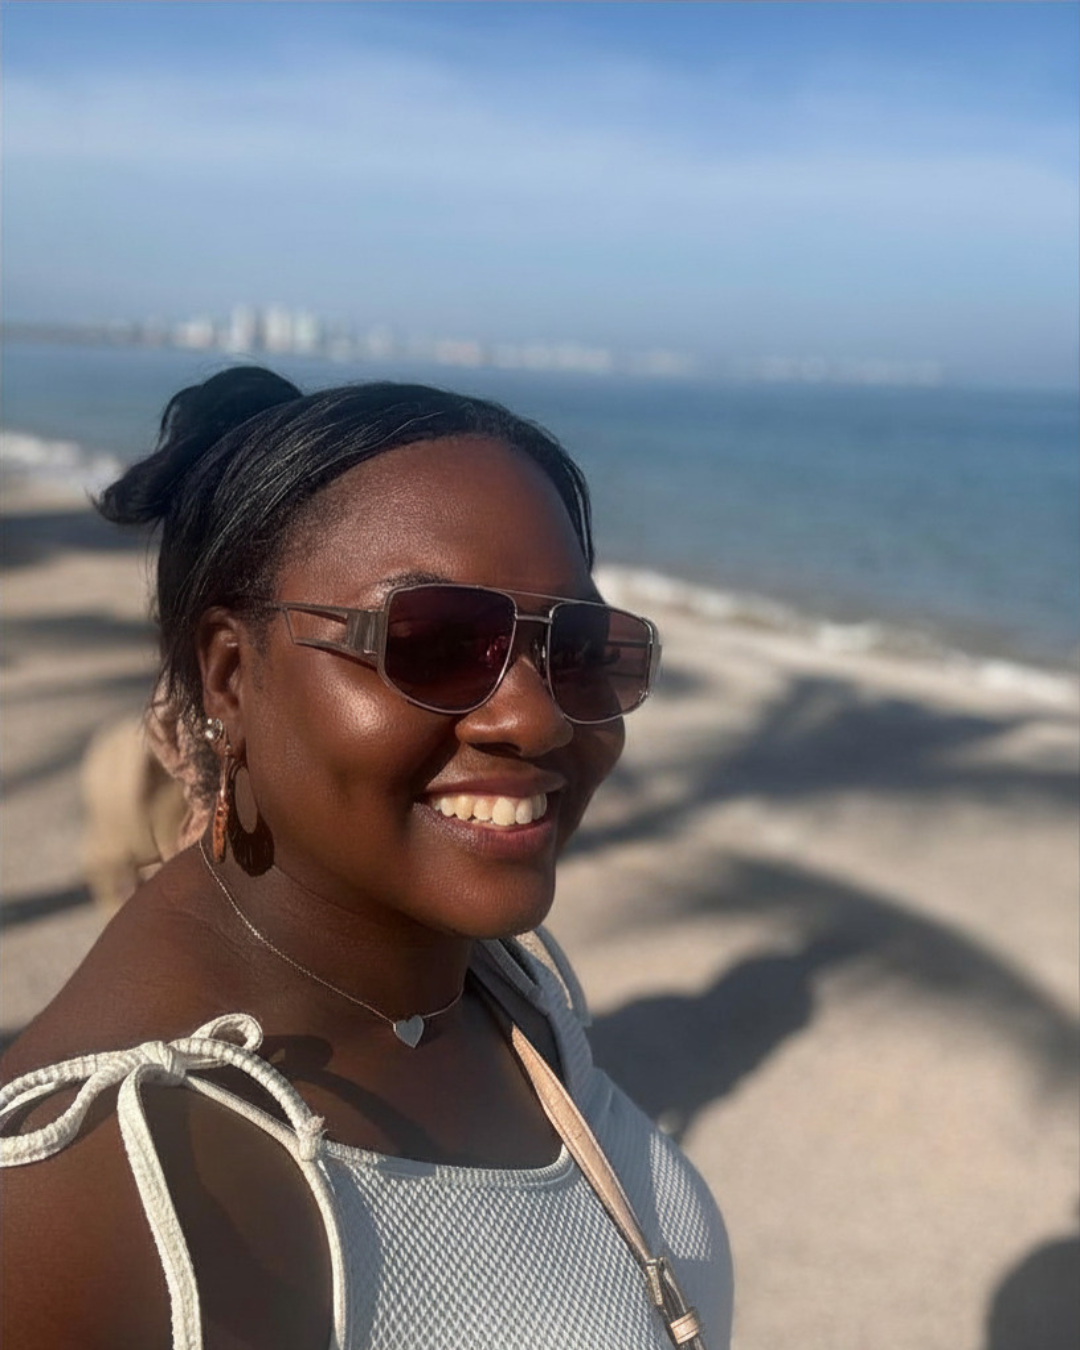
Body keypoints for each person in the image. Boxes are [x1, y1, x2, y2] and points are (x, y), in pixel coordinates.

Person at [0, 368, 733, 1349]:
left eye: (582, 647)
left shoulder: (493, 987)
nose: (536, 718)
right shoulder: (96, 1189)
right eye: (434, 644)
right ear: (230, 678)